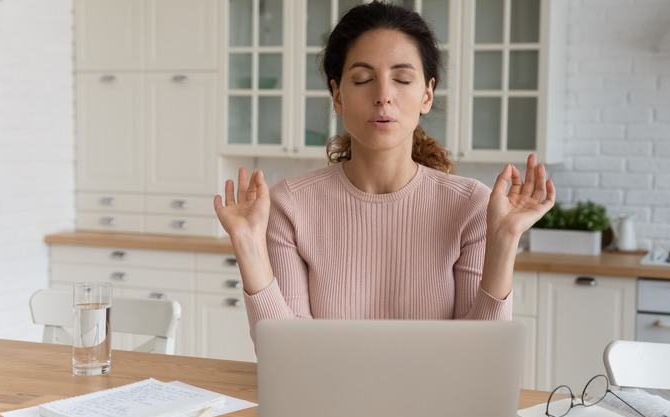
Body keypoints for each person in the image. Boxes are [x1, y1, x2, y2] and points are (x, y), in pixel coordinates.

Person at [213, 1, 555, 347]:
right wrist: (247, 244)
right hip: (328, 399)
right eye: (362, 79)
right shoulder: (291, 204)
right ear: (337, 95)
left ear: (427, 94)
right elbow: (285, 352)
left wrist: (506, 239)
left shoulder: (470, 205)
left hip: (437, 400)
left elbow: (482, 356)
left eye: (402, 79)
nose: (383, 96)